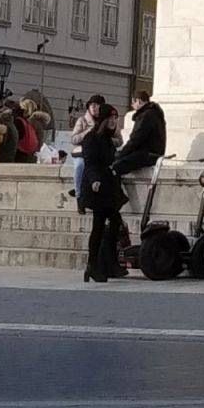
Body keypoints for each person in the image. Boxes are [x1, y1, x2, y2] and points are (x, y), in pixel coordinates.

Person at [81, 106, 126, 283]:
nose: (113, 121)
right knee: (100, 225)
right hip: (97, 188)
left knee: (113, 223)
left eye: (115, 118)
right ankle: (94, 264)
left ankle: (104, 263)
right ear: (103, 120)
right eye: (110, 118)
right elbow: (90, 163)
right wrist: (95, 180)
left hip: (107, 186)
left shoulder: (107, 139)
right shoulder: (92, 138)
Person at [112, 92, 166, 179]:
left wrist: (121, 154)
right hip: (154, 153)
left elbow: (136, 139)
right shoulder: (155, 113)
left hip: (146, 154)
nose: (132, 105)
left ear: (138, 101)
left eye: (133, 102)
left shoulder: (146, 115)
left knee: (114, 168)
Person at [70, 94, 105, 210]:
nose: (94, 107)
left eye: (97, 105)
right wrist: (88, 132)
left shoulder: (107, 121)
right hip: (83, 153)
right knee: (79, 165)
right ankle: (79, 196)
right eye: (91, 105)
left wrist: (105, 139)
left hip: (100, 154)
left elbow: (119, 140)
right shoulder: (82, 120)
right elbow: (74, 139)